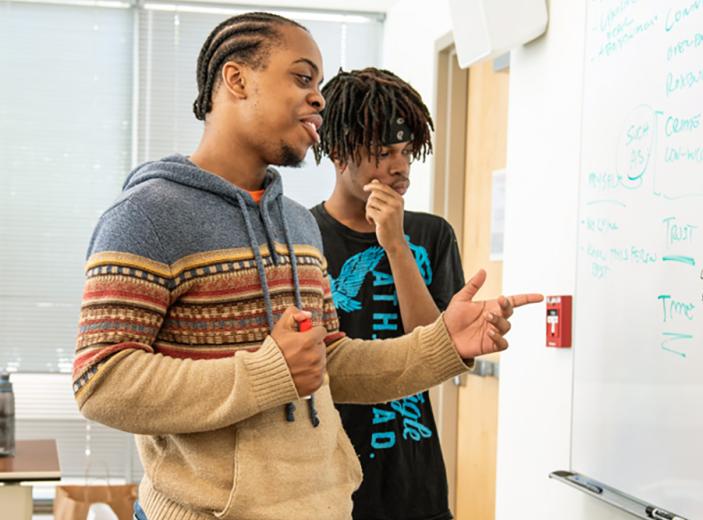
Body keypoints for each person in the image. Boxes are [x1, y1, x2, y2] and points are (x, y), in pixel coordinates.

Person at [72, 12, 542, 520]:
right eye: (301, 78)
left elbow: (329, 364)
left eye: (318, 83)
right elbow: (101, 380)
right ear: (237, 79)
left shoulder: (297, 225)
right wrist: (268, 372)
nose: (318, 97)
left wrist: (441, 345)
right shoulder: (147, 215)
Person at [311, 67, 461, 520]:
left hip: (415, 485)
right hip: (327, 485)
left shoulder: (429, 235)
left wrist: (395, 244)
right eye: (382, 153)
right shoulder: (301, 236)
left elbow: (434, 346)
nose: (400, 167)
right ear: (338, 153)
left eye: (406, 153)